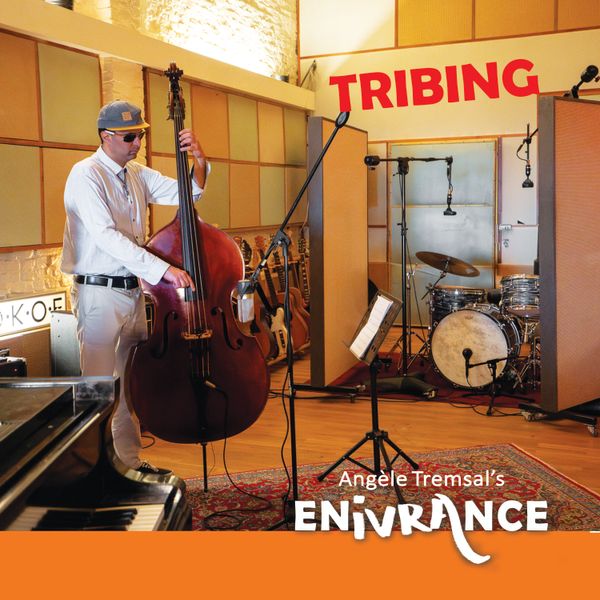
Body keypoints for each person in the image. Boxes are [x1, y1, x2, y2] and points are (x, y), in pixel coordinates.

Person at [61, 100, 208, 475]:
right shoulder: (85, 174)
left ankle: (128, 464)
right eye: (129, 137)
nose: (137, 143)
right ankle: (91, 470)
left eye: (140, 135)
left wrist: (200, 161)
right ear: (105, 136)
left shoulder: (137, 173)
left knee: (130, 386)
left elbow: (189, 192)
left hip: (132, 291)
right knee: (98, 387)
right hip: (98, 294)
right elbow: (107, 236)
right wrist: (164, 270)